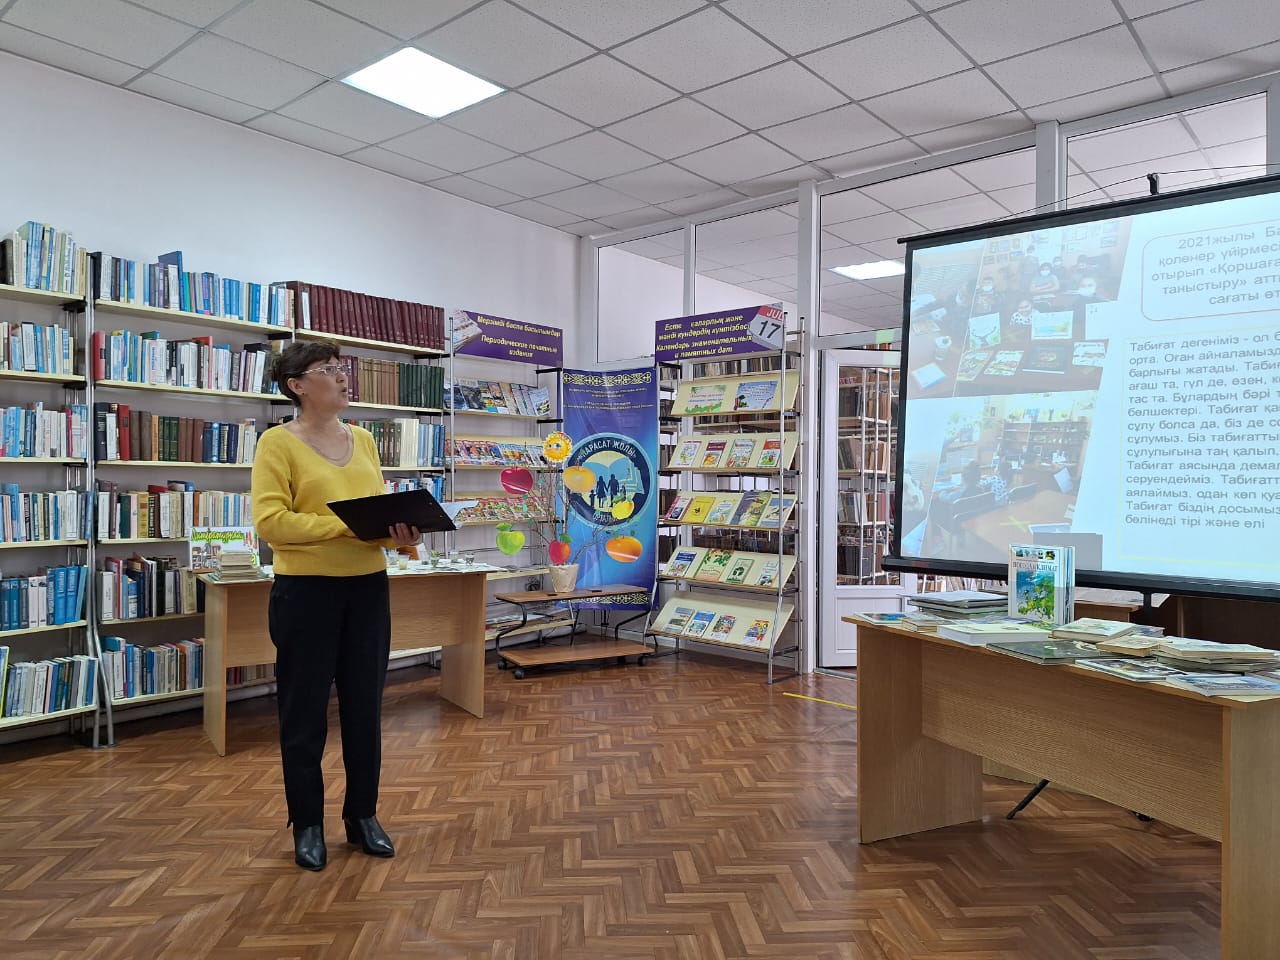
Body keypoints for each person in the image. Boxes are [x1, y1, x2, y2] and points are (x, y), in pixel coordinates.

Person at [251, 340, 421, 871]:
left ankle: (362, 814)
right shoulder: (276, 443)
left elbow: (375, 517)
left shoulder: (364, 439)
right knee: (303, 713)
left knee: (365, 708)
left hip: (368, 588)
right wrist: (345, 526)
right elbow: (271, 523)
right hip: (306, 593)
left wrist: (401, 534)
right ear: (297, 385)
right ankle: (307, 823)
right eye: (328, 369)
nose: (343, 376)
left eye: (341, 367)